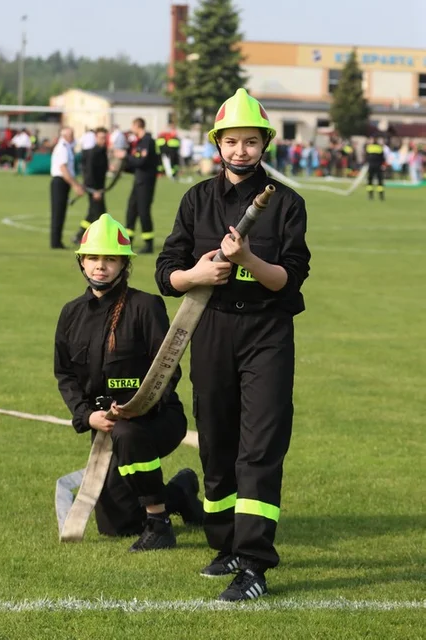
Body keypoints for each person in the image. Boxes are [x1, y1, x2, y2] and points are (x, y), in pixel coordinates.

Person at [155, 88, 311, 602]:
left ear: (265, 143)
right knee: (218, 447)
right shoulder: (196, 199)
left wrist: (246, 260)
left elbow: (288, 280)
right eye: (231, 141)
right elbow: (165, 272)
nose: (240, 150)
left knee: (260, 449)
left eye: (250, 141)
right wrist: (194, 273)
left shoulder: (286, 203)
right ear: (217, 144)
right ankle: (225, 546)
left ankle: (255, 564)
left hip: (267, 334)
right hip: (213, 330)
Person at [54, 213, 203, 550]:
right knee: (117, 524)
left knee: (127, 432)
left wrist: (139, 407)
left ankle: (159, 524)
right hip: (104, 427)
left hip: (157, 419)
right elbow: (65, 374)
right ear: (82, 261)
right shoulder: (71, 314)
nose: (100, 266)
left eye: (110, 259)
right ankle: (179, 492)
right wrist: (86, 416)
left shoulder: (146, 306)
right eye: (93, 258)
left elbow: (169, 368)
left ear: (124, 264)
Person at [114, 118, 158, 254]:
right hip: (138, 181)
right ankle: (128, 241)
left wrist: (125, 156)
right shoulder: (138, 142)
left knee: (143, 211)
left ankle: (148, 244)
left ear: (137, 126)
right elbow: (135, 164)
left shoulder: (148, 141)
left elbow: (141, 161)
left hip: (146, 182)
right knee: (131, 210)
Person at [72, 127, 109, 245]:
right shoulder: (94, 152)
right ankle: (82, 236)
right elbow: (89, 173)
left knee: (94, 213)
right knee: (98, 213)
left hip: (100, 188)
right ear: (96, 138)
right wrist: (94, 191)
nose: (103, 140)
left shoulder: (103, 151)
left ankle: (81, 235)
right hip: (94, 188)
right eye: (101, 137)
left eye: (104, 138)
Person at [50, 127, 84, 249]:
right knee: (58, 212)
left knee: (61, 211)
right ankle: (55, 242)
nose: (73, 137)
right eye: (70, 135)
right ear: (65, 136)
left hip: (63, 181)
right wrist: (75, 185)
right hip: (60, 181)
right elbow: (63, 169)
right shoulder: (62, 148)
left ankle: (57, 241)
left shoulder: (67, 147)